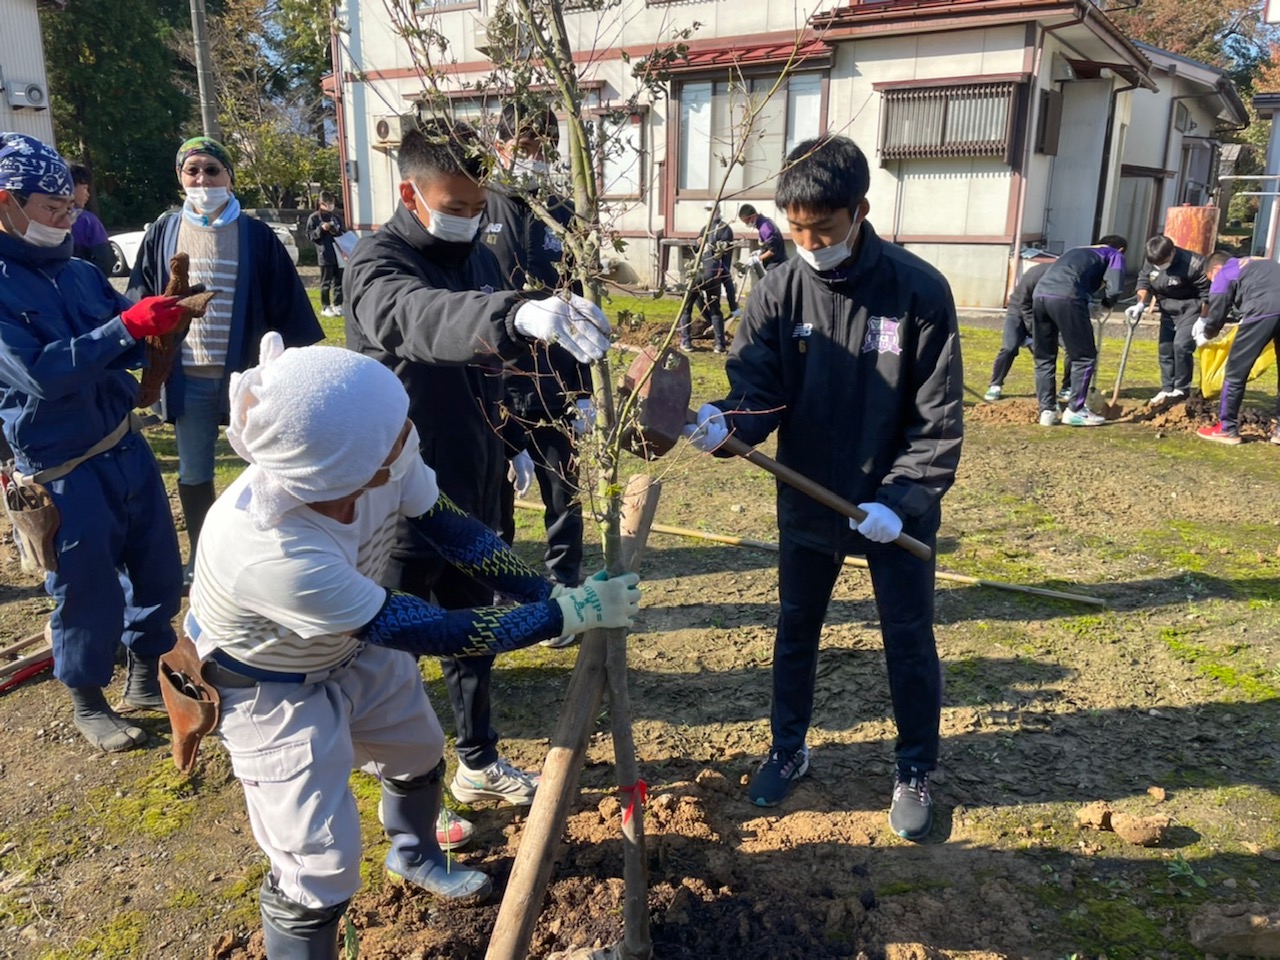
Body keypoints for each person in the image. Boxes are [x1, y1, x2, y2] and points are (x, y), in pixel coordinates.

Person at [188, 333, 639, 957]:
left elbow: (454, 532)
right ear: (344, 468)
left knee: (418, 751)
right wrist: (563, 616)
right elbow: (428, 630)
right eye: (395, 434)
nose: (409, 436)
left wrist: (548, 593)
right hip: (270, 684)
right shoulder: (273, 552)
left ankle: (415, 855)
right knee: (316, 863)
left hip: (352, 644)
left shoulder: (377, 450)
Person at [683, 135, 963, 841]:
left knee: (907, 636)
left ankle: (915, 767)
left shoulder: (918, 291)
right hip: (809, 494)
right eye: (797, 229)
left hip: (894, 506)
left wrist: (899, 501)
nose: (810, 244)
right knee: (796, 626)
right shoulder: (778, 290)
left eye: (825, 229)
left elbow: (936, 421)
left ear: (860, 210)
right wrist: (728, 422)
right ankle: (788, 747)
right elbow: (759, 391)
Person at [344, 118, 612, 836]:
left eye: (477, 204)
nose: (469, 217)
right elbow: (419, 318)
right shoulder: (377, 265)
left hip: (476, 482)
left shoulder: (482, 259)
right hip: (400, 497)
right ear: (411, 193)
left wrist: (516, 440)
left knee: (474, 633)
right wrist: (511, 313)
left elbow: (496, 366)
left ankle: (478, 758)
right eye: (454, 206)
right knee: (394, 650)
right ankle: (405, 782)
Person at [0, 132, 184, 752]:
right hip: (61, 466)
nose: (66, 221)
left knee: (157, 568)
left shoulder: (79, 272)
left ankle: (145, 674)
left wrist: (162, 323)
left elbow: (124, 342)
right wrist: (125, 327)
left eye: (71, 208)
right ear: (5, 202)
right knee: (84, 586)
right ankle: (86, 697)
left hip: (123, 443)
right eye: (53, 209)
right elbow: (41, 374)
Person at [127, 136, 322, 590]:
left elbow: (286, 303)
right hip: (188, 375)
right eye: (192, 171)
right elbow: (140, 297)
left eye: (212, 170)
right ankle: (202, 555)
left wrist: (294, 366)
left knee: (265, 464)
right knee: (194, 471)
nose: (202, 180)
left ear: (229, 176)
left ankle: (264, 550)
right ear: (180, 178)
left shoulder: (255, 235)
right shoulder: (164, 231)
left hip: (247, 377)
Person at [485, 104, 592, 648]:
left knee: (563, 492)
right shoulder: (480, 208)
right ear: (499, 147)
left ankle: (564, 586)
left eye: (543, 148)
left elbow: (582, 304)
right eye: (523, 147)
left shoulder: (565, 214)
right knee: (493, 495)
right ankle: (499, 587)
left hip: (555, 382)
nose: (534, 158)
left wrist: (585, 393)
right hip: (495, 384)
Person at [1030, 235, 1127, 427]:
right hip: (1068, 297)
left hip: (1040, 295)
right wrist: (1107, 304)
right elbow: (1115, 289)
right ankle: (1075, 410)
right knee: (1084, 356)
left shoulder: (1075, 251)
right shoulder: (1114, 254)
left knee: (1044, 357)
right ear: (1121, 249)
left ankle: (1047, 411)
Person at [1194, 253, 1280, 445]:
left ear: (1215, 269)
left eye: (1211, 280)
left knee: (1235, 371)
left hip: (1262, 311)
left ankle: (1227, 429)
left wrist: (1207, 333)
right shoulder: (1259, 262)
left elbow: (1218, 307)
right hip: (1270, 305)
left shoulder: (1225, 271)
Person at [1131, 234, 1210, 406]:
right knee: (1165, 348)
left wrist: (1203, 319)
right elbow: (1144, 281)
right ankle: (1167, 388)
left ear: (1172, 252)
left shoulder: (1194, 264)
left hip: (1191, 307)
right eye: (1156, 264)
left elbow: (1207, 294)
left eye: (1163, 263)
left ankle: (1181, 389)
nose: (1160, 266)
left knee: (1181, 346)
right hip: (1167, 306)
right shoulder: (1152, 259)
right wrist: (1140, 304)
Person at [984, 261, 1052, 401]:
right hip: (1017, 312)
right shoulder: (1034, 274)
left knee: (1044, 354)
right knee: (1009, 348)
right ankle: (995, 384)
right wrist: (1033, 331)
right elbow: (1023, 304)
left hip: (1042, 316)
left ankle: (1051, 394)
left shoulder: (1064, 280)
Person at [678, 203, 733, 353]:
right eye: (708, 210)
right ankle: (720, 344)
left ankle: (686, 341)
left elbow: (724, 249)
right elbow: (697, 247)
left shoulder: (724, 229)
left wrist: (709, 245)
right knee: (714, 308)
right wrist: (698, 243)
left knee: (687, 307)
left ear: (718, 212)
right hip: (711, 273)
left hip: (706, 271)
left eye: (711, 210)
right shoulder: (706, 228)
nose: (709, 213)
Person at [68, 164, 115, 275]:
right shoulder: (88, 221)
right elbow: (106, 261)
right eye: (84, 188)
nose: (88, 194)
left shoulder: (41, 217)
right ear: (70, 187)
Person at [307, 191, 347, 318]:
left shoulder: (335, 217)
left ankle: (338, 304)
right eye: (327, 204)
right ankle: (325, 306)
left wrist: (335, 230)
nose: (330, 206)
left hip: (338, 253)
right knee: (326, 282)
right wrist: (321, 229)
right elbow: (310, 235)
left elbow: (342, 233)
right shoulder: (314, 218)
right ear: (321, 203)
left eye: (332, 203)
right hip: (324, 254)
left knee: (339, 280)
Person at [738, 203, 787, 276]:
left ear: (753, 216)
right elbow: (769, 245)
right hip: (775, 264)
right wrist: (760, 251)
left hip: (776, 265)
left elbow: (773, 250)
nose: (747, 224)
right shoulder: (763, 223)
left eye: (747, 222)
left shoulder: (765, 228)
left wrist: (757, 258)